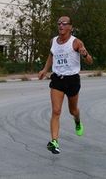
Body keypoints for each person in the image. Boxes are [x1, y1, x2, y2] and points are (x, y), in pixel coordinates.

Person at [38, 16, 93, 154]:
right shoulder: (53, 41)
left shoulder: (76, 42)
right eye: (59, 23)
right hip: (57, 79)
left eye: (64, 23)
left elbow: (90, 61)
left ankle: (77, 121)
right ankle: (54, 142)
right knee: (56, 111)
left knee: (72, 110)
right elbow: (51, 55)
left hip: (72, 79)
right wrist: (45, 69)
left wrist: (85, 54)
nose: (61, 25)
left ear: (70, 27)